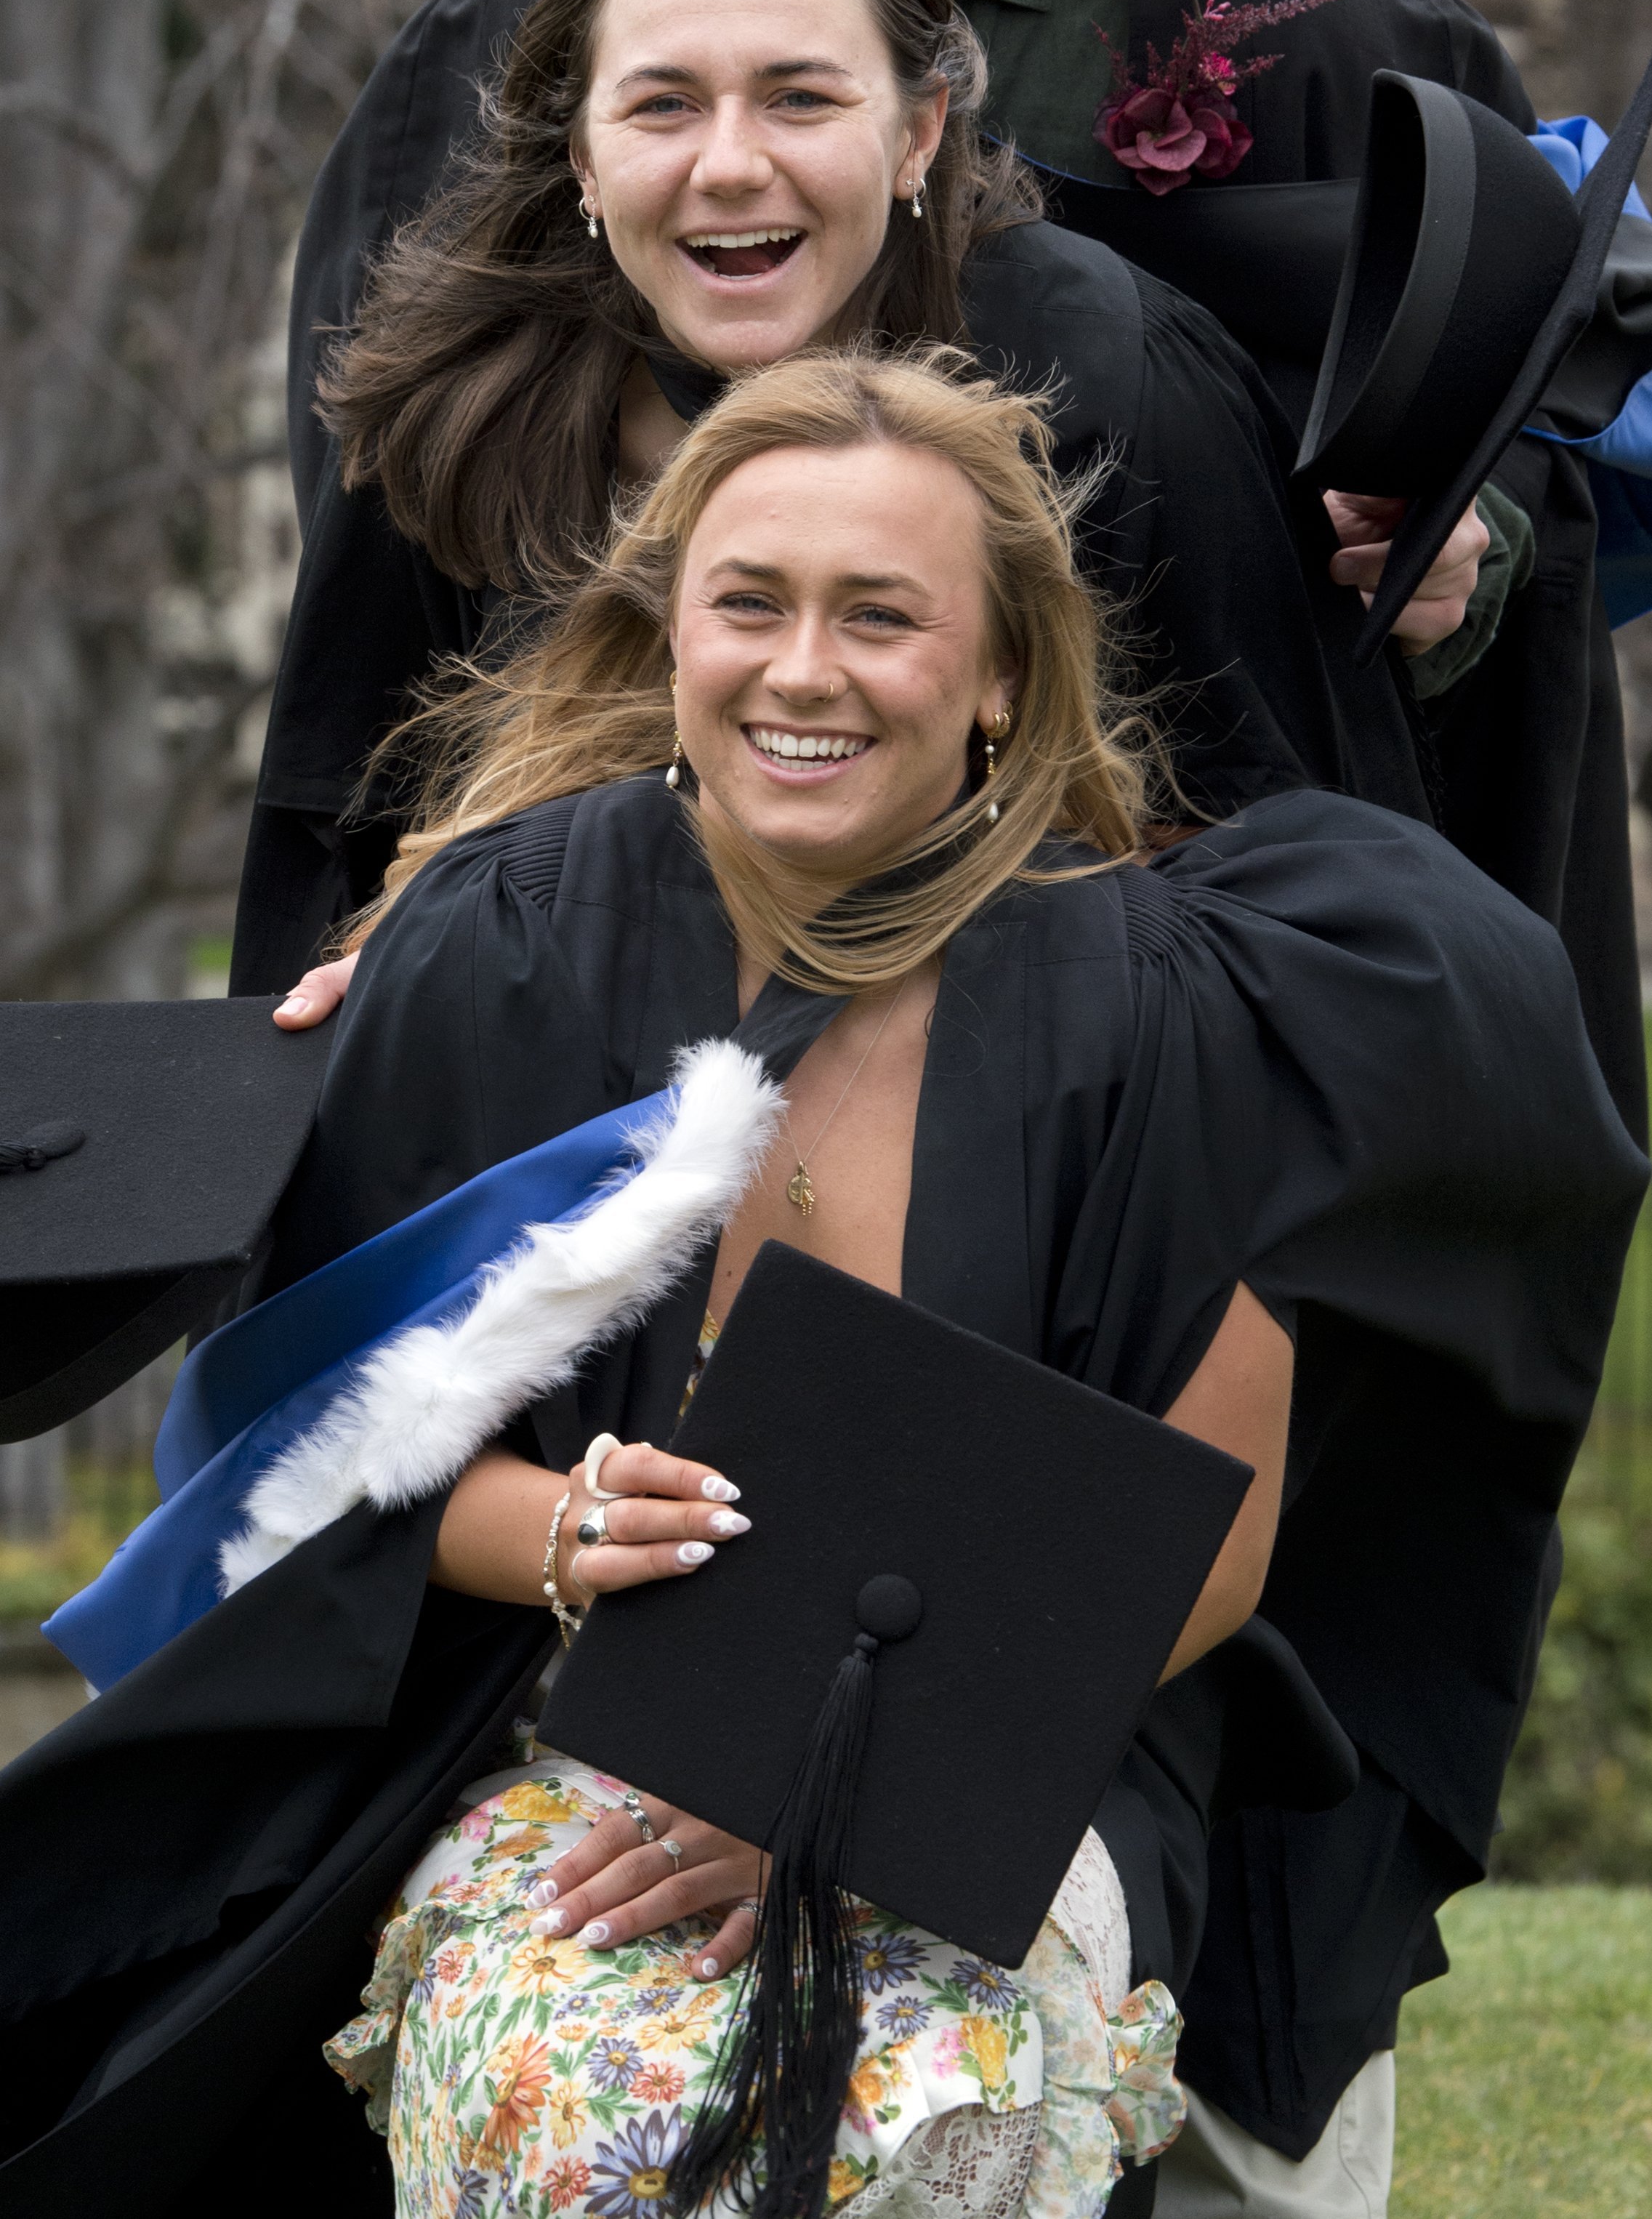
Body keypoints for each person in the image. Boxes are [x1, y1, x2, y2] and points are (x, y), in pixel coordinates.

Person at [6, 355, 1641, 2219]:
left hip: (1023, 1750)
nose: (805, 671)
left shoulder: (1166, 1009)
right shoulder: (500, 950)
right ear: (672, 631)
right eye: (751, 604)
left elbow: (1214, 1539)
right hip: (552, 1742)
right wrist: (555, 1525)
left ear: (1001, 673)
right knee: (592, 2104)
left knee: (905, 2116)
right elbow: (297, 1452)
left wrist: (850, 1784)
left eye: (883, 616)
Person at [248, 0, 1486, 1015]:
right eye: (663, 105)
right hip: (544, 1094)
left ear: (917, 132)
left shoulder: (1106, 376)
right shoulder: (463, 398)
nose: (728, 165)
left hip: (1030, 1095)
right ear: (581, 156)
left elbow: (1277, 843)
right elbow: (341, 831)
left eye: (799, 98)